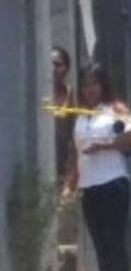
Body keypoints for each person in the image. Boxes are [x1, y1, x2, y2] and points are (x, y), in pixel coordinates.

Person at [64, 63, 131, 271]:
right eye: (86, 85)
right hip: (89, 187)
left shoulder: (116, 110)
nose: (90, 89)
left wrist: (106, 145)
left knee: (114, 240)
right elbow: (75, 153)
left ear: (103, 86)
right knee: (99, 243)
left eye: (95, 84)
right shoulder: (80, 116)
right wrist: (70, 184)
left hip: (113, 183)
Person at [51, 46, 76, 179]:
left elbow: (74, 132)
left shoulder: (70, 94)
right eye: (50, 64)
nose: (52, 69)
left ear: (66, 68)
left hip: (63, 161)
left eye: (57, 64)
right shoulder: (38, 92)